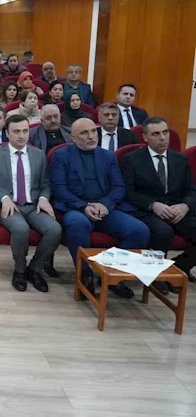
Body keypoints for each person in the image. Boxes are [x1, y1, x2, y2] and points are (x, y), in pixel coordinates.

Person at [50, 117, 150, 298]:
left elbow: (119, 187)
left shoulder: (108, 156)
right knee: (77, 224)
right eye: (84, 133)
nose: (91, 136)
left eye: (93, 131)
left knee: (139, 230)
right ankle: (85, 275)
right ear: (73, 137)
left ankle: (111, 275)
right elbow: (59, 189)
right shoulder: (61, 155)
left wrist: (105, 204)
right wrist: (83, 206)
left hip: (106, 208)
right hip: (76, 208)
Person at [0, 115, 62, 292]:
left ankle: (34, 269)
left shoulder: (38, 155)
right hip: (9, 205)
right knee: (21, 229)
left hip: (33, 205)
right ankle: (19, 270)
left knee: (55, 229)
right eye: (16, 131)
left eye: (25, 131)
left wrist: (43, 198)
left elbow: (46, 184)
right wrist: (3, 198)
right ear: (7, 134)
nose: (21, 135)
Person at [123, 117, 196, 282]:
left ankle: (180, 266)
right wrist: (152, 205)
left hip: (177, 210)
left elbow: (191, 189)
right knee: (163, 232)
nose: (163, 138)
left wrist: (185, 206)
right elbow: (128, 192)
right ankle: (155, 277)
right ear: (145, 137)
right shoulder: (132, 159)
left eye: (165, 132)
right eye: (156, 134)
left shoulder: (180, 159)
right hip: (149, 211)